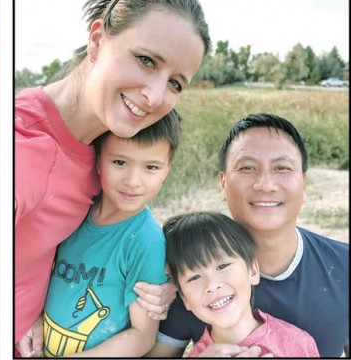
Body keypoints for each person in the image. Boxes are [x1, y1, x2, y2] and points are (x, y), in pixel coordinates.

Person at [15, 0, 211, 357]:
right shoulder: (23, 145)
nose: (155, 96)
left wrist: (156, 280)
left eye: (176, 83)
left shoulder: (104, 148)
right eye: (145, 60)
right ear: (97, 39)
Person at [148, 113, 349, 357]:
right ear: (223, 183)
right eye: (247, 168)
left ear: (303, 184)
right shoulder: (186, 270)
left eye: (282, 168)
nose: (265, 184)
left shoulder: (344, 266)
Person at [41, 109, 181, 357]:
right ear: (97, 160)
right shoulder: (74, 211)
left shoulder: (146, 242)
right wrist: (34, 321)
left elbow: (142, 336)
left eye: (151, 167)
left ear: (167, 169)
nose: (133, 181)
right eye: (119, 162)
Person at [162, 211, 319, 357]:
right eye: (194, 277)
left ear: (252, 270)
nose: (212, 285)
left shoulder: (298, 343)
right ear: (184, 298)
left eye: (222, 266)